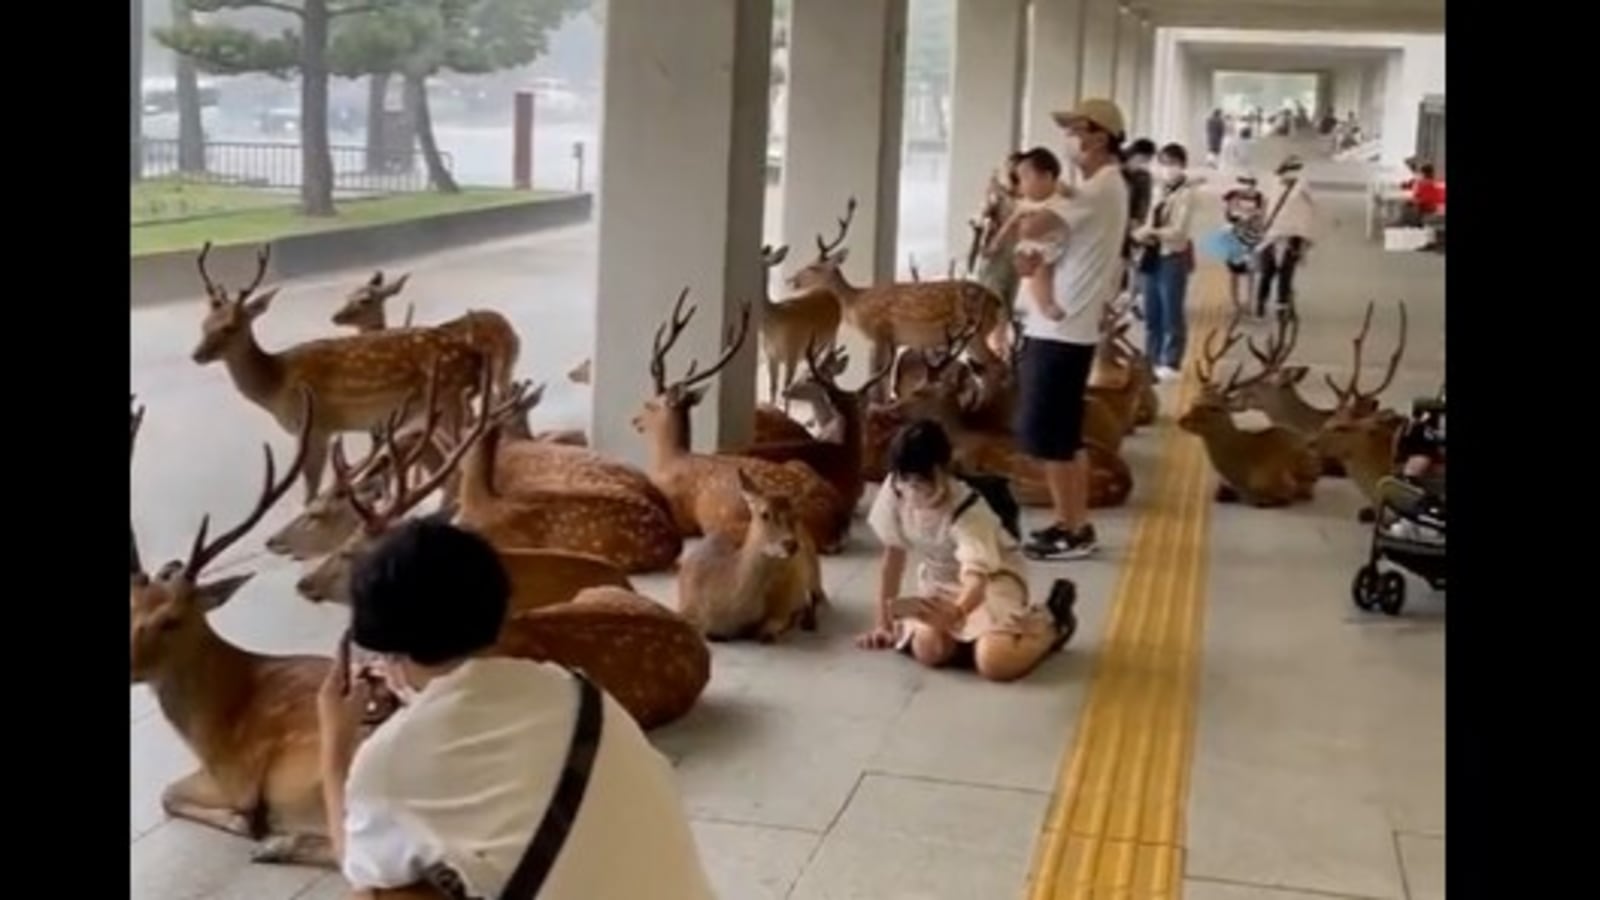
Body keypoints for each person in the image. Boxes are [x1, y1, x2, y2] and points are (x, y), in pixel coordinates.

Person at [316, 519, 715, 900]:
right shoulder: (575, 689)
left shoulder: (391, 758)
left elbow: (362, 871)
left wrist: (336, 748)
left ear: (386, 645)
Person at [858, 420, 1078, 681]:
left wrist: (956, 614)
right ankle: (974, 640)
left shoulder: (967, 511)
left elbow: (977, 580)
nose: (912, 490)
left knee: (994, 662)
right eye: (906, 480)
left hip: (994, 579)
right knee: (928, 649)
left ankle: (1051, 623)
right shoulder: (897, 488)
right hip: (941, 581)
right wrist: (882, 625)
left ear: (942, 470)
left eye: (921, 481)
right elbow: (892, 560)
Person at [1014, 97, 1130, 561]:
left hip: (1061, 332)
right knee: (1063, 436)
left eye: (1075, 130)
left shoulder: (1099, 188)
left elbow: (1034, 225)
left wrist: (1018, 203)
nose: (1069, 140)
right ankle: (1072, 524)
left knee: (1051, 439)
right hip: (1063, 328)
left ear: (1100, 135)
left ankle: (1073, 529)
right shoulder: (1100, 187)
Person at [1131, 143, 1196, 380]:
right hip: (1151, 256)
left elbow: (1179, 231)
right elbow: (1150, 219)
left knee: (1172, 312)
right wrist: (1142, 233)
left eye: (1174, 163)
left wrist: (1152, 232)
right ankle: (1151, 359)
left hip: (1172, 257)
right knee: (1151, 312)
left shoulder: (1187, 194)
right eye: (1164, 163)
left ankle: (1171, 361)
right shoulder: (1159, 191)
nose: (1169, 168)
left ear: (1183, 165)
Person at [1255, 155, 1314, 319]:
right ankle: (1261, 303)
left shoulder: (1303, 188)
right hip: (1272, 236)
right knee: (1268, 272)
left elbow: (1308, 211)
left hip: (1292, 237)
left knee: (1286, 274)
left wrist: (1304, 237)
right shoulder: (1272, 184)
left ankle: (1282, 308)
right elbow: (1265, 207)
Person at [1221, 174, 1265, 309]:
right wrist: (1239, 213)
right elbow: (1228, 215)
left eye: (1250, 183)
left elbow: (1262, 216)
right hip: (1234, 238)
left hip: (1251, 239)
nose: (1247, 187)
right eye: (1244, 183)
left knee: (1250, 270)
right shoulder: (1232, 195)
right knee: (1234, 271)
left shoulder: (1259, 197)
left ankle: (1249, 300)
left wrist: (1255, 215)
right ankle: (1234, 301)